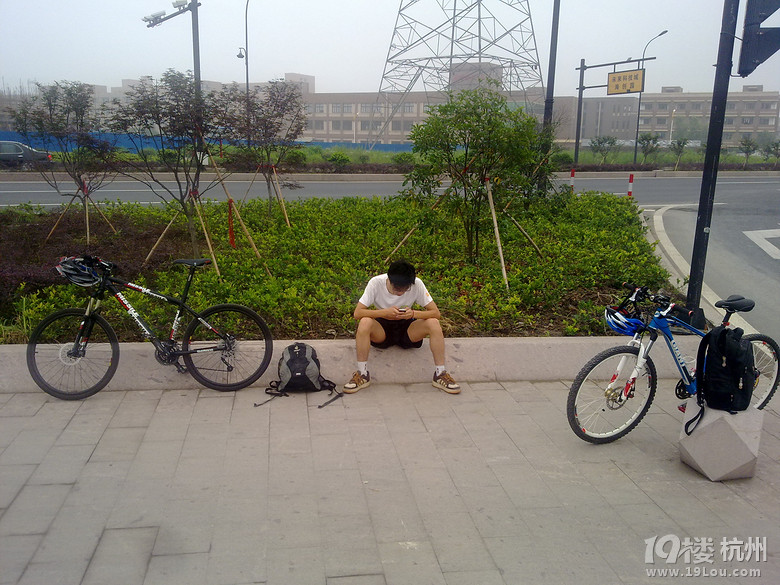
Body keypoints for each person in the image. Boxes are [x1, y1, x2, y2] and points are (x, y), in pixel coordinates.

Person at [343, 260, 460, 394]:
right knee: (364, 322)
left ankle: (440, 374)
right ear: (389, 280)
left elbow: (436, 313)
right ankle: (362, 373)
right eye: (397, 289)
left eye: (405, 290)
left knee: (433, 322)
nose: (400, 293)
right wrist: (384, 313)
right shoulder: (376, 283)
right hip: (382, 328)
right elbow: (358, 313)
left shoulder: (417, 284)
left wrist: (414, 313)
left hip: (408, 328)